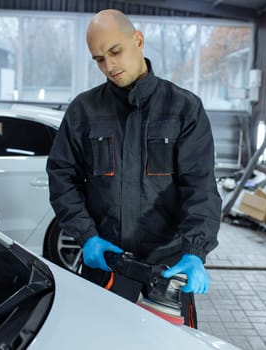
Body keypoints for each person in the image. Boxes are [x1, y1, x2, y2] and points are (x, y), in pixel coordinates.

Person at [46, 9, 221, 328]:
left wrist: (195, 250)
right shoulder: (83, 112)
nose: (109, 66)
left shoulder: (183, 109)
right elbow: (62, 179)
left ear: (137, 40)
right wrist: (87, 238)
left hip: (166, 274)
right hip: (106, 270)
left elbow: (201, 188)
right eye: (99, 59)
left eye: (115, 51)